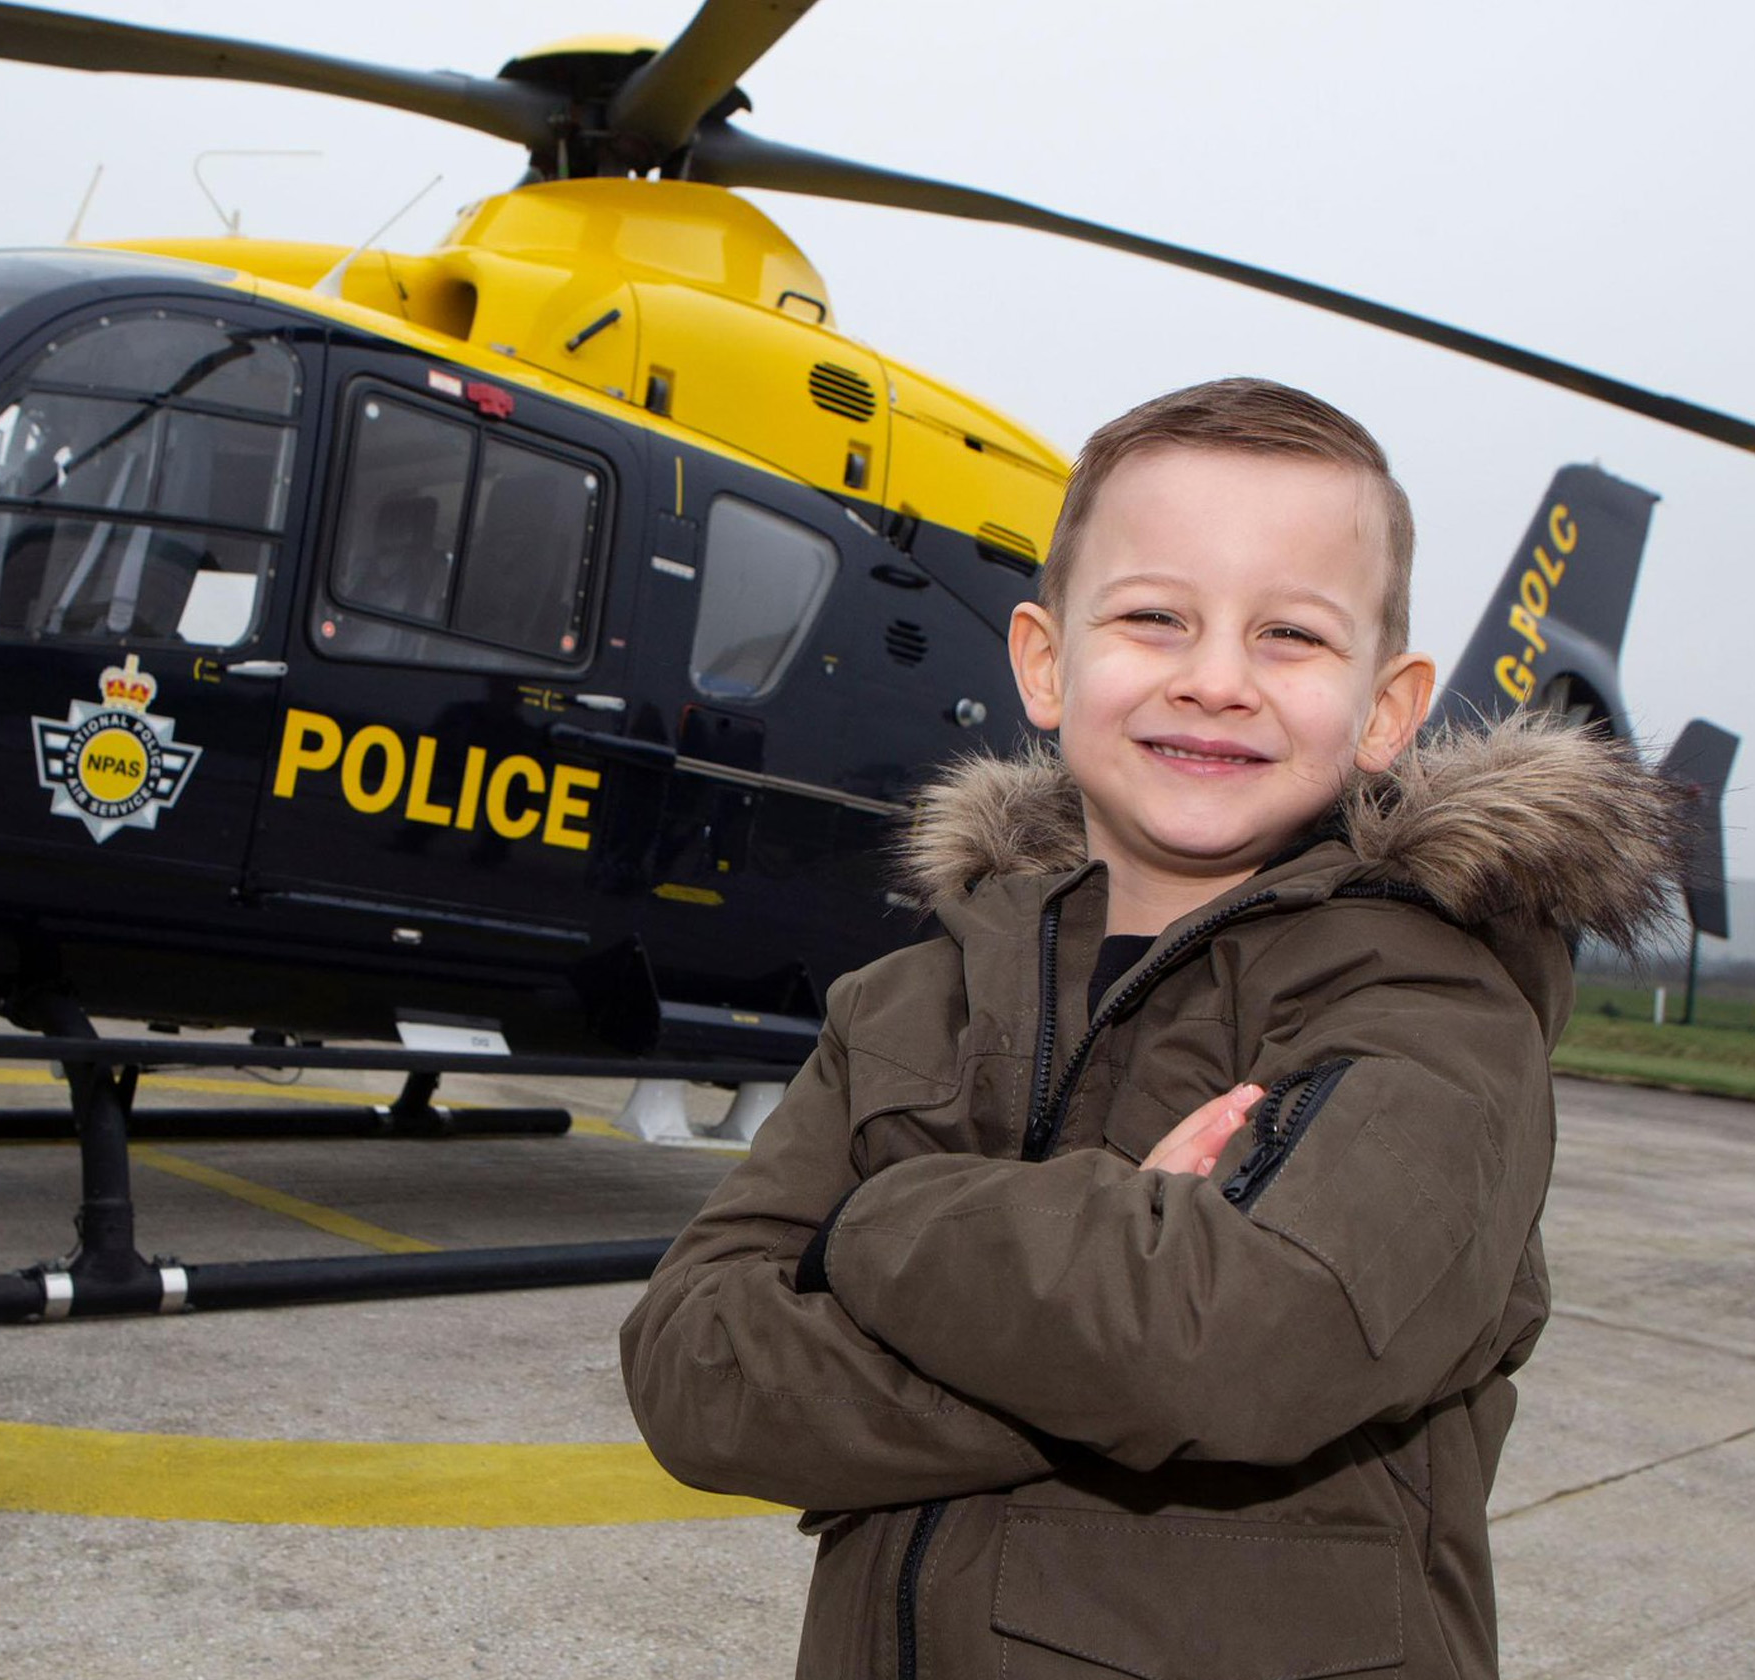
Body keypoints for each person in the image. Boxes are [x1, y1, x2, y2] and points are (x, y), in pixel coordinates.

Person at [619, 377, 1688, 1679]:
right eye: (1151, 617)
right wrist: (1108, 1269)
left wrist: (874, 1227)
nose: (1216, 680)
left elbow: (1237, 1348)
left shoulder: (1434, 1008)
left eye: (1289, 635)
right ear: (1044, 663)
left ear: (1388, 707)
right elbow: (693, 1373)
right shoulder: (915, 995)